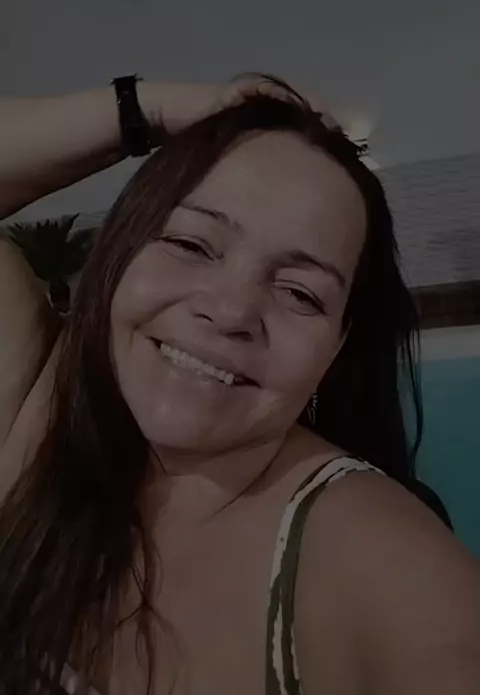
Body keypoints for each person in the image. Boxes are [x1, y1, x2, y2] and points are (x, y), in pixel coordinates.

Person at [0, 75, 479, 695]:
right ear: (119, 252)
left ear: (337, 345)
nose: (230, 311)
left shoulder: (379, 561)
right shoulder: (38, 407)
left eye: (300, 292)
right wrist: (141, 109)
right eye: (192, 244)